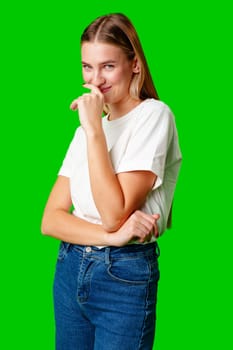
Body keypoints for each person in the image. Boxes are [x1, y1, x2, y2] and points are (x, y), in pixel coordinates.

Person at [41, 12, 182, 350]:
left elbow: (113, 213)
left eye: (108, 66)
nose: (96, 79)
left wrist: (94, 130)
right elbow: (51, 219)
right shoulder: (85, 132)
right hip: (70, 268)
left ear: (134, 64)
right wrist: (115, 237)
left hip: (124, 277)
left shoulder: (153, 116)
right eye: (87, 67)